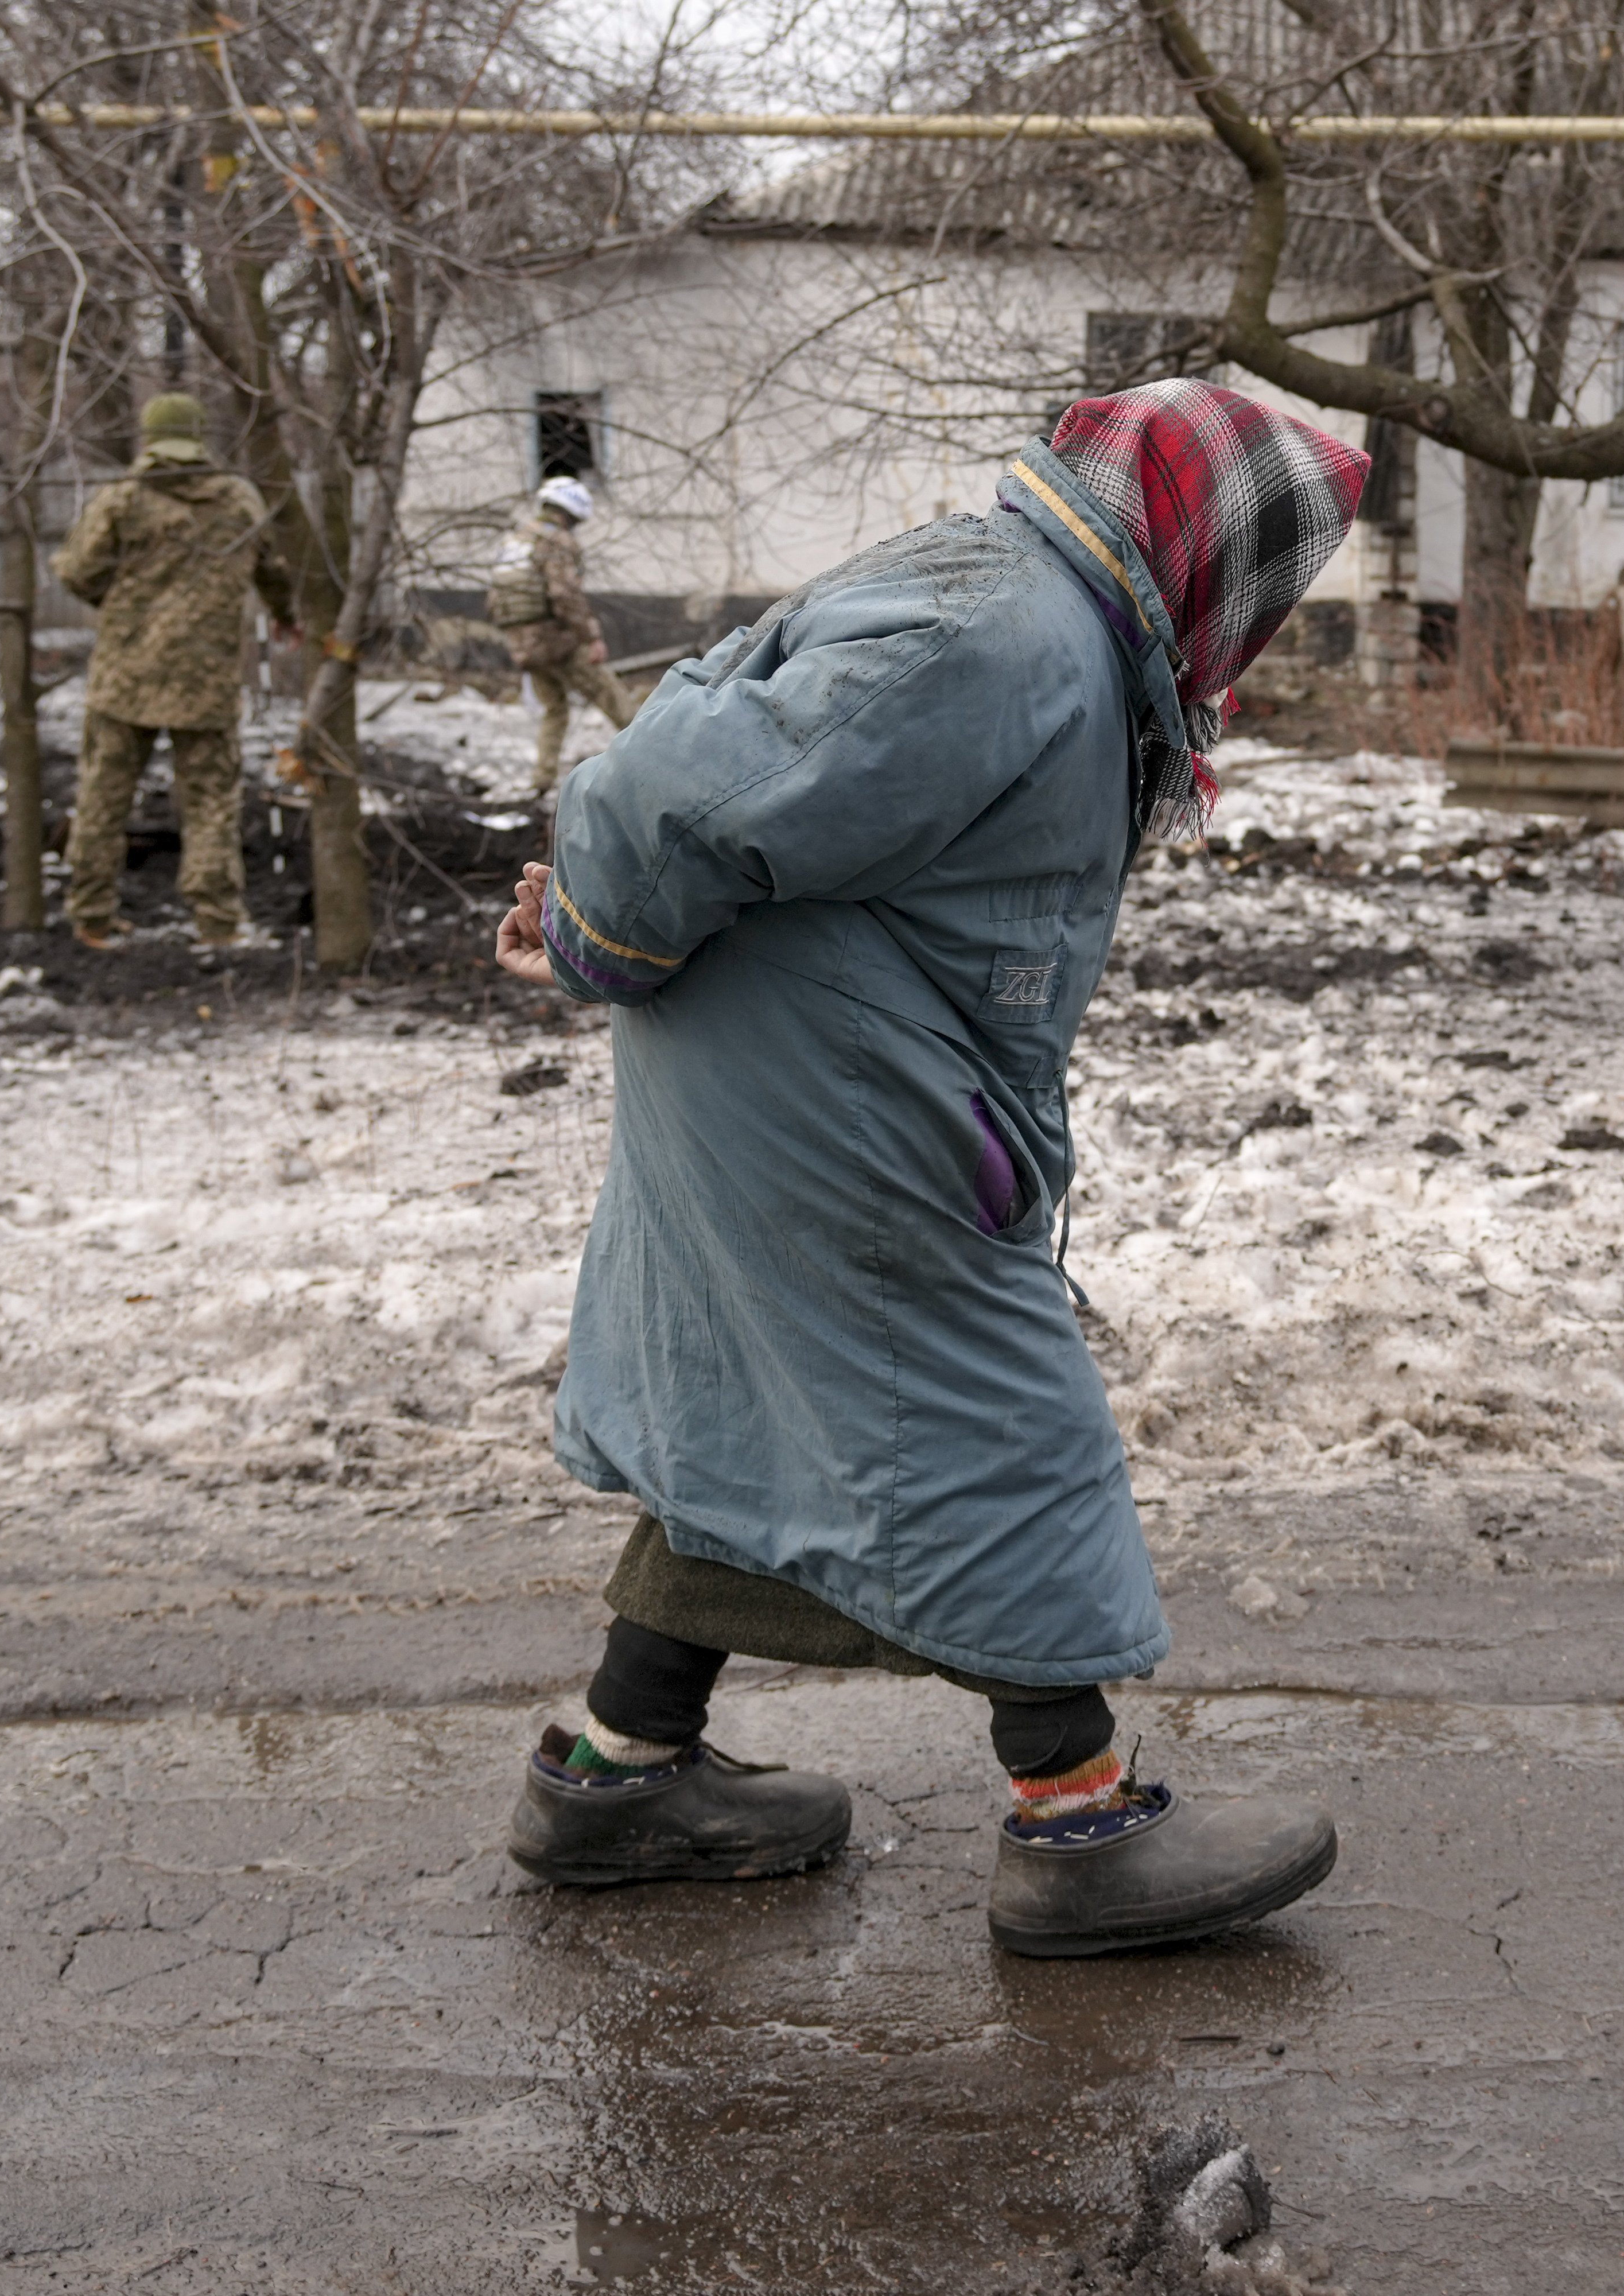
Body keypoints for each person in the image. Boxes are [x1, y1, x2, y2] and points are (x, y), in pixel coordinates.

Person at [491, 380, 1369, 1956]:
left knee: (779, 1391)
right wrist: (586, 922)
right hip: (828, 1083)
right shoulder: (1001, 637)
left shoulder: (1035, 616)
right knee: (983, 1406)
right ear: (1200, 543)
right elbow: (676, 788)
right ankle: (1078, 1824)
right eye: (1267, 577)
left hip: (810, 1059)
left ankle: (619, 1774)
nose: (1265, 617)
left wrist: (597, 925)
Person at [54, 393, 295, 950]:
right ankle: (219, 922)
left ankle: (90, 914)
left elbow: (76, 573)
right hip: (204, 680)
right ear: (200, 434)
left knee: (103, 796)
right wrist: (285, 615)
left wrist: (117, 592)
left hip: (125, 676)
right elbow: (274, 569)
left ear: (147, 436)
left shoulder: (122, 499)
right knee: (211, 802)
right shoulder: (237, 499)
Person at [487, 475, 634, 791]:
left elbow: (495, 601)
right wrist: (591, 638)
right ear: (571, 514)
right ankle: (654, 760)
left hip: (522, 646)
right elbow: (565, 595)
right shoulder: (556, 541)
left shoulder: (515, 541)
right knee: (615, 700)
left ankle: (542, 778)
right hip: (558, 642)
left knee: (555, 710)